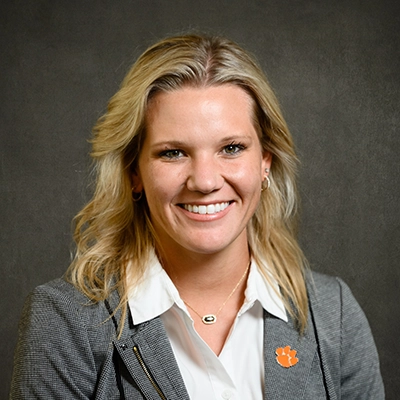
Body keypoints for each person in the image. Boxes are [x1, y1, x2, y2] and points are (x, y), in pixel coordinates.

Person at [10, 34, 384, 399]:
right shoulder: (63, 322)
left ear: (265, 161)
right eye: (173, 153)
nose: (205, 181)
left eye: (232, 148)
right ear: (133, 172)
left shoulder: (332, 312)